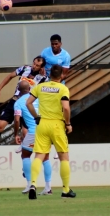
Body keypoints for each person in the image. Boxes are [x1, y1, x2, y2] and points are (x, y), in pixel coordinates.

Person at [0, 56, 48, 163]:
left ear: (42, 67)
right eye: (34, 63)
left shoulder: (43, 78)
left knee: (26, 133)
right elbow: (10, 76)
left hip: (28, 104)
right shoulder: (25, 69)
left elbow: (45, 94)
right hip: (15, 101)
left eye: (37, 65)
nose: (34, 66)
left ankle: (29, 165)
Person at [26, 65, 76, 200]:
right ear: (62, 75)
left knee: (39, 156)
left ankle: (33, 185)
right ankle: (65, 190)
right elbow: (65, 108)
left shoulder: (40, 87)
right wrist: (68, 123)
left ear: (49, 74)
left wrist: (36, 116)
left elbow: (28, 103)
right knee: (63, 157)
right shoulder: (63, 88)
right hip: (57, 125)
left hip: (42, 124)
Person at [13, 81, 53, 195]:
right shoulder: (39, 98)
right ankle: (48, 187)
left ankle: (30, 184)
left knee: (25, 155)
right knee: (45, 158)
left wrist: (16, 134)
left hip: (33, 132)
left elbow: (16, 120)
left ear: (18, 90)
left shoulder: (18, 102)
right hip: (45, 130)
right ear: (30, 88)